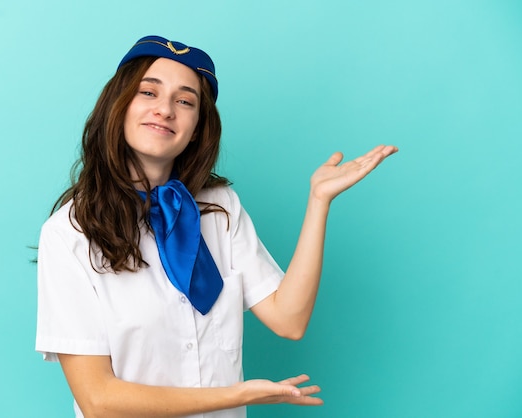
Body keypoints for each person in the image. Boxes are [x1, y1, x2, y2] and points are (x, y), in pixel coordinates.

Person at [35, 35, 398, 418]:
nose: (165, 110)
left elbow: (289, 319)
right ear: (118, 106)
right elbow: (99, 401)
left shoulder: (220, 208)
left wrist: (319, 201)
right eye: (148, 92)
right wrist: (235, 395)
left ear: (197, 128)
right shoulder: (68, 234)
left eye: (185, 100)